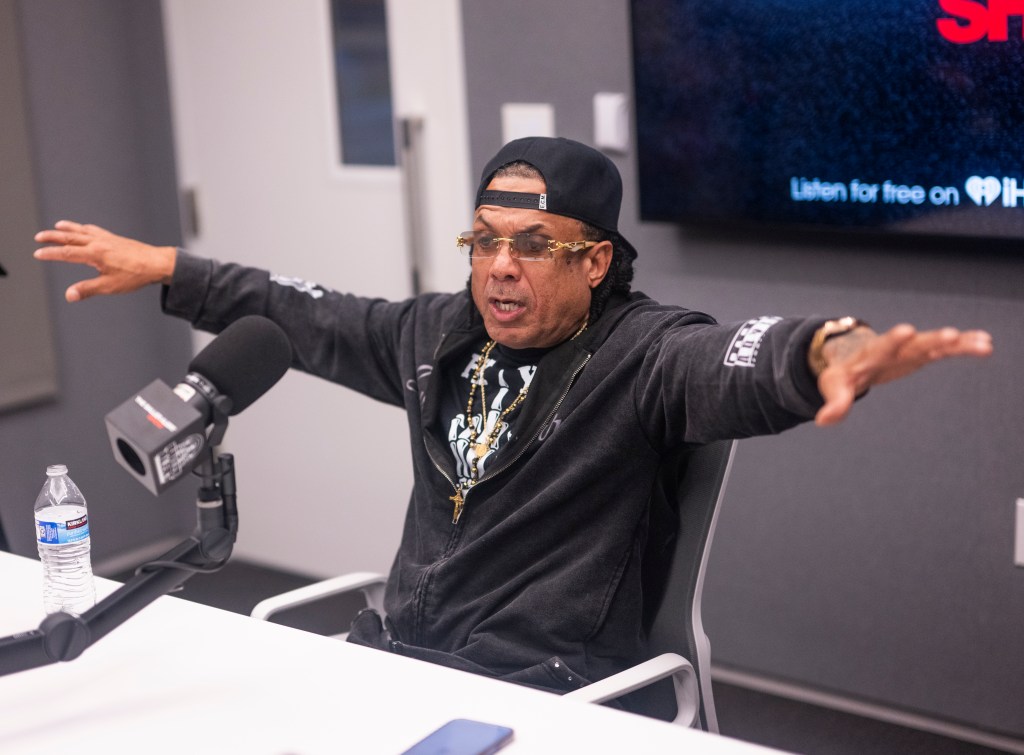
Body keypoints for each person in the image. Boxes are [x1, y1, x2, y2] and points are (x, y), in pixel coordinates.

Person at [34, 137, 991, 700]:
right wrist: (173, 269)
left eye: (534, 247)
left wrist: (834, 351)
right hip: (399, 655)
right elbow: (310, 312)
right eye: (485, 242)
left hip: (537, 684)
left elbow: (736, 360)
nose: (500, 267)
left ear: (596, 263)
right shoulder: (435, 333)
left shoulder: (644, 355)